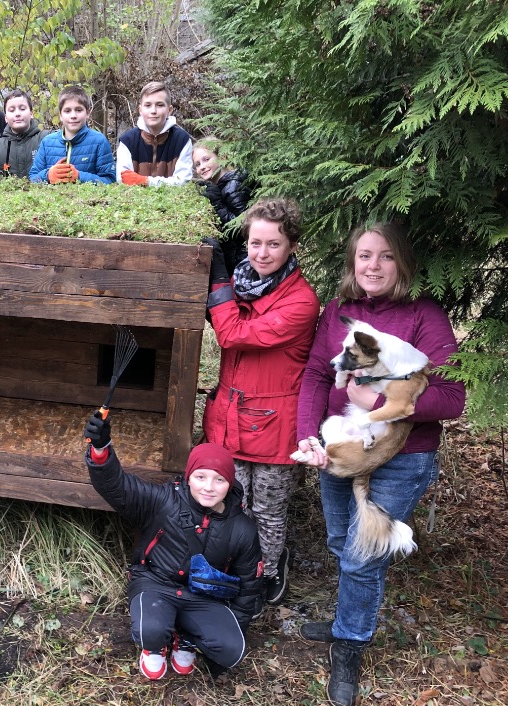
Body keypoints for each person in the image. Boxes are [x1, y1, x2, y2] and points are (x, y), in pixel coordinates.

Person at [294, 223, 465, 706]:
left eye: (385, 257)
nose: (372, 266)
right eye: (364, 256)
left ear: (401, 264)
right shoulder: (338, 312)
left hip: (401, 457)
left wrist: (377, 398)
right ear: (352, 262)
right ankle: (349, 618)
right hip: (343, 443)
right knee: (339, 541)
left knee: (360, 555)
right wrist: (307, 433)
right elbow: (312, 376)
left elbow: (453, 396)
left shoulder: (423, 315)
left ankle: (350, 643)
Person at [202, 197, 320, 612]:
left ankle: (269, 570)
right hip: (230, 415)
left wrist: (216, 284)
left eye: (273, 245)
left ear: (291, 247)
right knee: (234, 502)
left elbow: (232, 333)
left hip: (273, 424)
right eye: (255, 243)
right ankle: (236, 567)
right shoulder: (243, 280)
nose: (262, 254)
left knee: (267, 509)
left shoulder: (300, 302)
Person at [84, 412, 263, 680]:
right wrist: (100, 448)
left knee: (232, 650)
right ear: (189, 476)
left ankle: (186, 636)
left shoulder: (242, 529)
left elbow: (249, 587)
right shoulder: (163, 500)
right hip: (154, 583)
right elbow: (117, 486)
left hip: (204, 597)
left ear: (230, 483)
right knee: (150, 630)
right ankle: (156, 645)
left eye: (219, 480)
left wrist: (224, 634)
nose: (209, 487)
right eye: (201, 477)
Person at [29, 86, 116, 185]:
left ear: (87, 113)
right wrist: (48, 175)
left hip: (86, 200)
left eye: (79, 110)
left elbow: (110, 181)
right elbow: (32, 178)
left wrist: (79, 176)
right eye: (67, 111)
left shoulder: (99, 141)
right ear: (60, 115)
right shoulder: (47, 142)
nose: (73, 116)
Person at [116, 81, 193, 187]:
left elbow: (183, 182)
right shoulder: (127, 141)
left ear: (169, 110)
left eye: (160, 105)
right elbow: (123, 180)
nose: (153, 111)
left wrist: (145, 181)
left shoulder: (181, 140)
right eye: (147, 105)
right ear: (140, 110)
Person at [193, 138, 252, 274]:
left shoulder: (233, 185)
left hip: (244, 261)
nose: (202, 166)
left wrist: (217, 204)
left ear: (222, 157)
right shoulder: (221, 186)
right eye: (197, 164)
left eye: (206, 159)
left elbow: (244, 227)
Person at [0, 89, 49, 178]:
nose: (17, 114)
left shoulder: (46, 139)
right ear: (6, 117)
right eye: (11, 110)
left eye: (22, 109)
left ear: (31, 113)